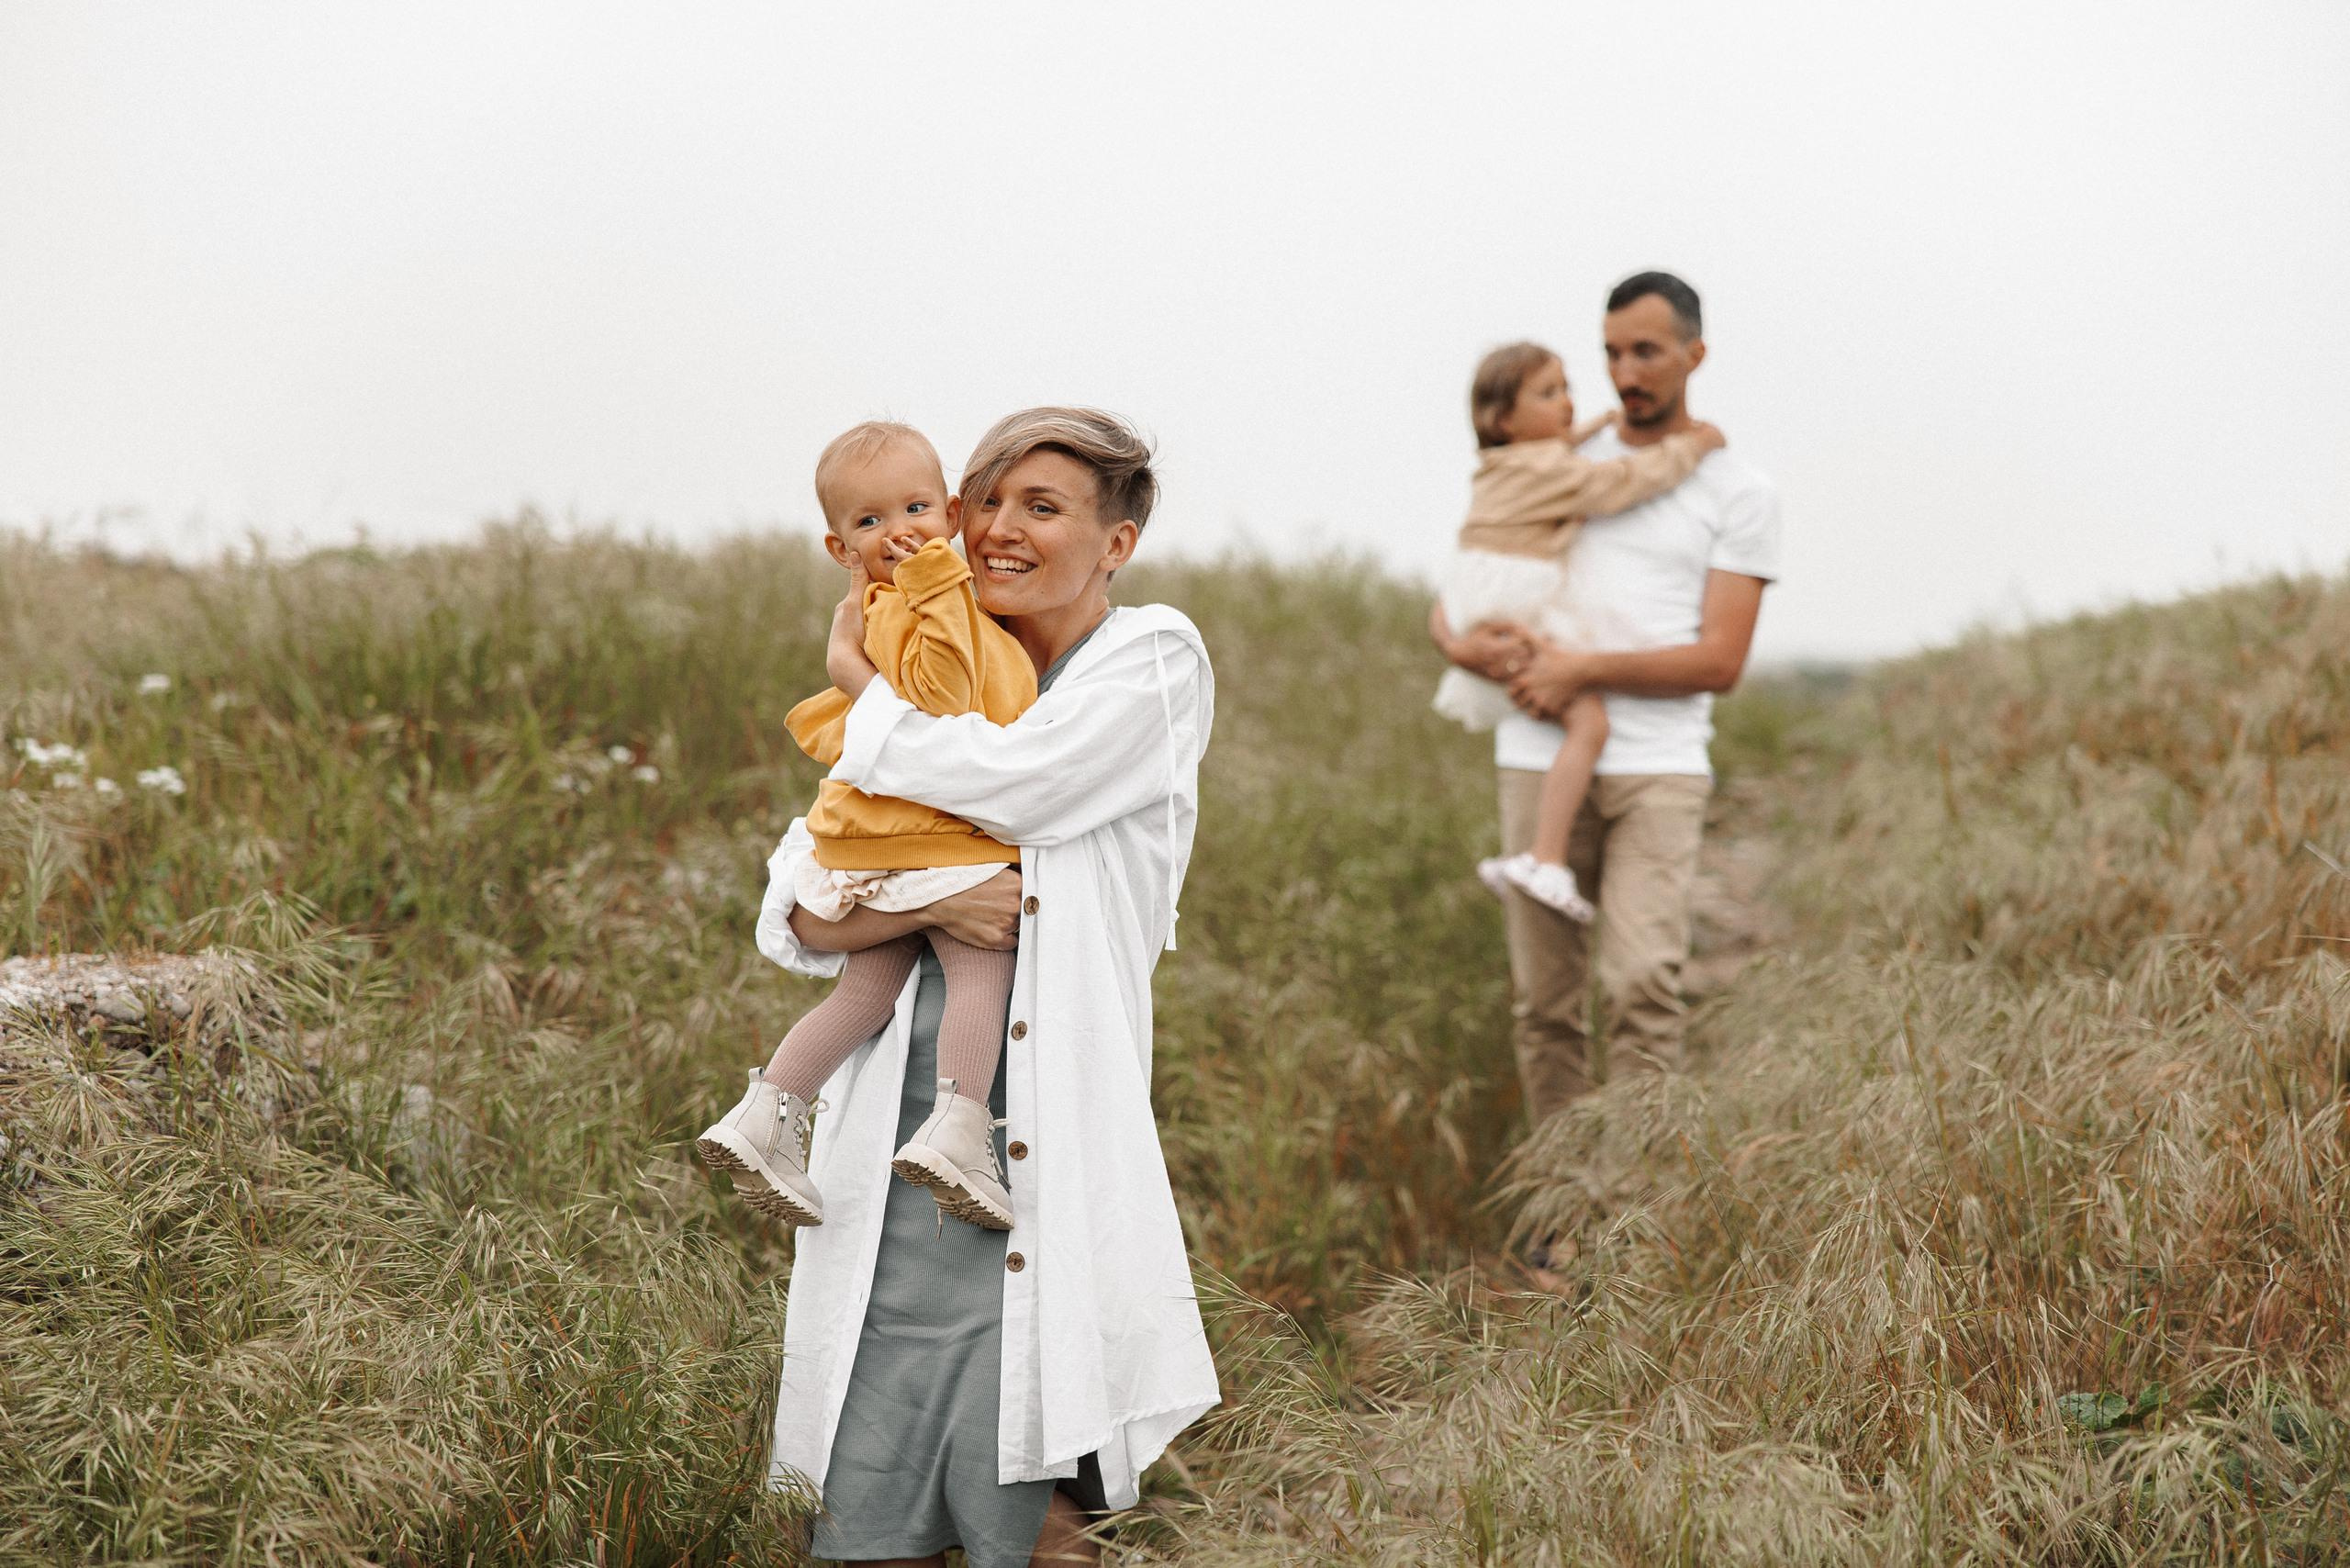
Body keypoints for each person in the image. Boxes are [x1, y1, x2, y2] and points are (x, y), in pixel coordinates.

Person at [754, 408, 1219, 1567]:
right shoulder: (930, 658)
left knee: (1046, 1529)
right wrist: (930, 908)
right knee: (868, 1526)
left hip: (1040, 1173)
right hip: (893, 1175)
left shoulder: (1152, 663)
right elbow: (803, 905)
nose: (1000, 530)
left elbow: (1024, 786)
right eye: (987, 502)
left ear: (1114, 544)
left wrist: (860, 694)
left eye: (1044, 509)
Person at [1433, 272, 1781, 1126]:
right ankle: (1562, 1218)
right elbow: (1469, 577)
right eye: (1612, 353)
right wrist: (1452, 643)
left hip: (1659, 767)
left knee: (1641, 990)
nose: (1626, 371)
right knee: (1543, 1006)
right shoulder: (1553, 457)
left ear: (1694, 355)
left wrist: (1581, 672)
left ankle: (1641, 1211)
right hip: (1532, 753)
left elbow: (1720, 661)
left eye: (1647, 351)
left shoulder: (1738, 491)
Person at [699, 421, 1035, 1234]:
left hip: (876, 837)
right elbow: (944, 697)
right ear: (841, 547)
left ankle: (766, 1115)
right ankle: (958, 1129)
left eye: (916, 508)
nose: (900, 533)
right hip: (931, 834)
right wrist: (936, 586)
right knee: (983, 963)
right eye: (871, 523)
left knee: (867, 992)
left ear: (951, 511)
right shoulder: (921, 602)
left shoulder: (889, 607)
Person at [1433, 341, 1724, 922]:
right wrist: (1692, 446)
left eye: (1567, 388)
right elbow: (1620, 482)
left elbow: (1557, 448)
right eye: (1548, 393)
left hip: (1478, 596)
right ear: (1503, 419)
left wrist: (1597, 424)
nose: (1567, 402)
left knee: (1574, 718)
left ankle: (1531, 859)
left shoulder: (1501, 465)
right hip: (1514, 604)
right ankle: (1541, 859)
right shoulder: (1553, 471)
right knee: (1588, 722)